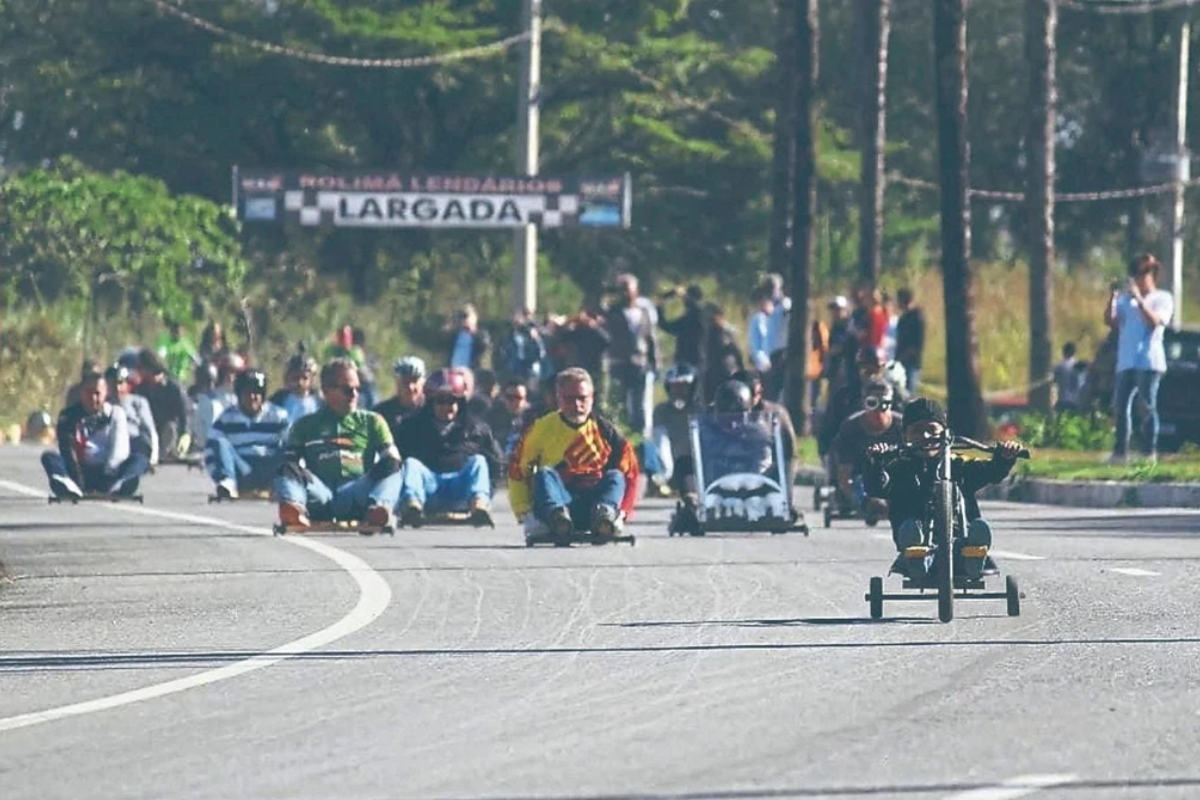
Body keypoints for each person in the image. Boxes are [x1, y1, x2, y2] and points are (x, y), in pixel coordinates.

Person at [865, 398, 1022, 576]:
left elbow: (991, 472)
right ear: (905, 437)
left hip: (959, 546)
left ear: (945, 434)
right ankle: (917, 560)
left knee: (974, 532)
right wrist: (876, 463)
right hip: (916, 544)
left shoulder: (958, 465)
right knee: (911, 532)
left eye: (931, 430)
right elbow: (876, 488)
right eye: (917, 431)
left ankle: (974, 555)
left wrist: (1004, 458)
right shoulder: (898, 468)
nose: (925, 437)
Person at [508, 367, 640, 539]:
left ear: (592, 398)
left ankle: (605, 520)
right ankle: (558, 520)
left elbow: (631, 473)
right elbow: (517, 469)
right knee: (544, 474)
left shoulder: (608, 432)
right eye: (569, 399)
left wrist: (624, 513)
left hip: (595, 505)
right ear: (558, 398)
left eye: (582, 398)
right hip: (559, 502)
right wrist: (523, 512)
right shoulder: (540, 428)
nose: (576, 405)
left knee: (615, 476)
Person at [274, 359, 403, 530]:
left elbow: (391, 461)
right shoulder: (305, 425)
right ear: (327, 391)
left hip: (357, 494)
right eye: (348, 390)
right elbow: (291, 465)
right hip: (321, 495)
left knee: (395, 464)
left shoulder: (373, 421)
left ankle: (379, 510)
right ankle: (293, 509)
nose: (355, 395)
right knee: (287, 467)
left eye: (358, 389)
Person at [394, 368, 503, 527]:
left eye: (452, 401)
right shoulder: (410, 427)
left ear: (460, 402)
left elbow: (496, 464)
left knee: (479, 461)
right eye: (441, 401)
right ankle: (412, 507)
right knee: (411, 464)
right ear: (431, 402)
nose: (447, 406)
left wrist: (489, 491)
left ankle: (479, 506)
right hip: (427, 487)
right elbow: (395, 461)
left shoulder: (478, 429)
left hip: (461, 488)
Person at [1105, 254, 1174, 461]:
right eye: (1136, 272)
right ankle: (1120, 452)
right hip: (1126, 361)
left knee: (1146, 406)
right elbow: (1111, 321)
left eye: (1144, 272)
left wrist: (1140, 300)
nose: (1139, 277)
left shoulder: (1162, 298)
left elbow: (1154, 322)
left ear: (1153, 274)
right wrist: (1113, 298)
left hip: (1149, 361)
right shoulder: (1126, 300)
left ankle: (1148, 452)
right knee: (1120, 407)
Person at [42, 371, 144, 498]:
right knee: (49, 457)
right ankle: (67, 484)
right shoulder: (68, 416)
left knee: (139, 458)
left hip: (108, 472)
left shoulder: (115, 414)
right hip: (80, 471)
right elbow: (67, 450)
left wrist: (108, 478)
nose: (92, 398)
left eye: (97, 393)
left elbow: (119, 450)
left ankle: (120, 485)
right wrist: (78, 482)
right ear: (81, 393)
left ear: (105, 393)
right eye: (88, 393)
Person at [206, 369, 290, 500]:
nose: (252, 397)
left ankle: (281, 486)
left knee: (289, 443)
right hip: (242, 469)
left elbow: (292, 446)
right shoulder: (227, 418)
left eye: (257, 393)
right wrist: (218, 475)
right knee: (219, 442)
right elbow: (211, 450)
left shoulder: (278, 416)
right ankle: (229, 483)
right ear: (239, 394)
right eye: (248, 393)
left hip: (270, 467)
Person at [831, 380, 903, 524]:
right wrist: (857, 501)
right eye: (872, 403)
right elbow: (844, 473)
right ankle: (872, 504)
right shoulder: (850, 427)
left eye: (884, 404)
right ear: (864, 403)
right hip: (861, 477)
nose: (878, 411)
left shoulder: (902, 427)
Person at [605, 273, 659, 437]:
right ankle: (619, 435)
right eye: (622, 290)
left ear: (636, 291)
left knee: (640, 404)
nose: (625, 294)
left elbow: (651, 338)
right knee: (619, 402)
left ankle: (639, 437)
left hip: (640, 363)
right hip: (620, 363)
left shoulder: (644, 312)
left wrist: (655, 362)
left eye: (628, 290)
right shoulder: (613, 312)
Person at [641, 362, 700, 498]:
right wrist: (665, 470)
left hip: (697, 465)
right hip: (672, 467)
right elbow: (660, 441)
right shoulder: (661, 411)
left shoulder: (700, 411)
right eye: (675, 387)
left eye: (683, 387)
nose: (678, 391)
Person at [135, 349, 191, 461]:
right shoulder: (141, 389)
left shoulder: (174, 388)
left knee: (170, 427)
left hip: (170, 433)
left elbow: (185, 414)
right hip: (150, 432)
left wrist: (186, 435)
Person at [106, 364, 159, 476]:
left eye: (120, 383)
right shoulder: (101, 405)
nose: (117, 388)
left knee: (138, 458)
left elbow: (150, 429)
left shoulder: (138, 402)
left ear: (127, 384)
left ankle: (126, 479)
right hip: (110, 444)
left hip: (134, 442)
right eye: (112, 384)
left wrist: (153, 457)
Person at [375, 356, 428, 438]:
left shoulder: (431, 410)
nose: (410, 387)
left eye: (414, 380)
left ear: (423, 382)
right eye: (405, 382)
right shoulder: (382, 412)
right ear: (397, 383)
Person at [269, 352, 322, 425]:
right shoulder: (278, 400)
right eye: (295, 378)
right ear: (287, 378)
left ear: (312, 379)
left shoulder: (319, 401)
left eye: (304, 378)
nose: (300, 382)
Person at [894, 288, 925, 396]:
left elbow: (917, 342)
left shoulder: (916, 317)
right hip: (900, 362)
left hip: (911, 362)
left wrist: (904, 355)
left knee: (909, 393)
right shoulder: (903, 318)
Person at [154, 319, 200, 384]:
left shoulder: (186, 343)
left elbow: (197, 359)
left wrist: (193, 366)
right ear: (171, 331)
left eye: (180, 332)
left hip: (181, 378)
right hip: (167, 377)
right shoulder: (164, 341)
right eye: (176, 332)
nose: (179, 334)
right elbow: (160, 357)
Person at [447, 304, 491, 371]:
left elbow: (484, 347)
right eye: (463, 317)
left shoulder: (481, 334)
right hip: (453, 371)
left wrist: (473, 330)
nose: (465, 320)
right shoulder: (455, 334)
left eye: (467, 316)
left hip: (471, 372)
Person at [1053, 342, 1083, 412]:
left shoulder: (1059, 366)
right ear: (1074, 352)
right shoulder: (1079, 366)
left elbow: (1053, 380)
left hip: (1063, 400)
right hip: (1076, 401)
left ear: (1063, 352)